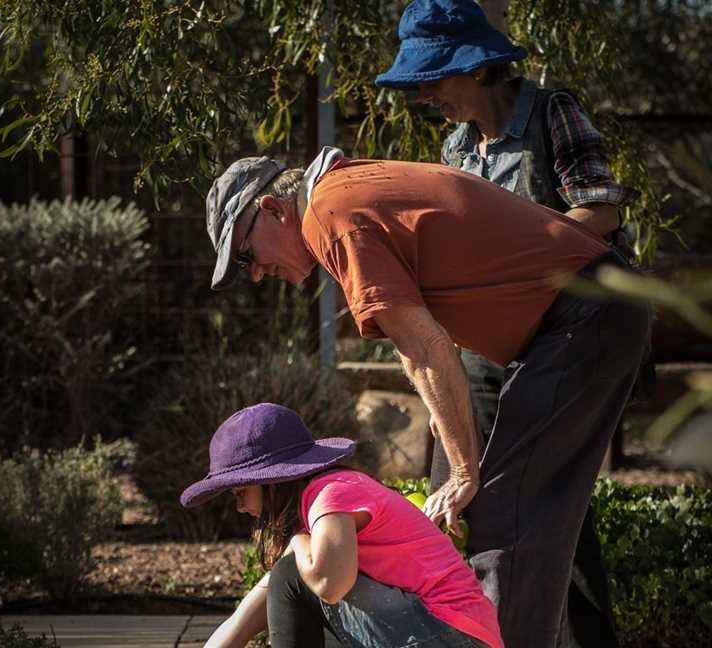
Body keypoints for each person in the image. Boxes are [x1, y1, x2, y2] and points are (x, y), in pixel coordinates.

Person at [203, 148, 651, 648]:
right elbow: (417, 333)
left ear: (272, 209)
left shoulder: (333, 216)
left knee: (507, 516)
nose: (257, 273)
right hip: (568, 320)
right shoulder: (344, 195)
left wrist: (464, 469)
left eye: (245, 255)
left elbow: (425, 348)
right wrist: (449, 428)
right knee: (486, 514)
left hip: (582, 316)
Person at [373, 2, 639, 645]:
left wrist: (522, 263)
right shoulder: (455, 148)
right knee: (472, 506)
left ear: (480, 66)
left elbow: (600, 210)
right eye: (420, 82)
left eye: (436, 77)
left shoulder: (551, 113)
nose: (426, 94)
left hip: (563, 343)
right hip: (479, 354)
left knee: (539, 507)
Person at [180, 402, 502, 648]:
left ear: (272, 481)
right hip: (441, 633)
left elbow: (329, 584)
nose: (240, 507)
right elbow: (243, 619)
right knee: (290, 575)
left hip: (454, 635)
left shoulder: (332, 493)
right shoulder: (315, 525)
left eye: (241, 493)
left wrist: (296, 543)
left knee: (292, 574)